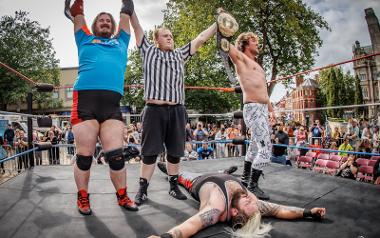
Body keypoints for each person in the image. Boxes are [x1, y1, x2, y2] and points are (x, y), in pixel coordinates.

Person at [129, 2, 218, 205]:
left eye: (171, 36)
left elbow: (202, 38)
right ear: (157, 40)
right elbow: (137, 27)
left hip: (177, 110)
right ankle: (142, 190)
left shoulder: (180, 55)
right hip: (154, 110)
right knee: (150, 153)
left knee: (175, 153)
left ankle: (173, 187)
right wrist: (131, 9)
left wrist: (217, 24)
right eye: (166, 36)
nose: (170, 38)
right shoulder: (149, 52)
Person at [65, 0, 137, 215]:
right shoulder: (84, 38)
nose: (105, 22)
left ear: (112, 26)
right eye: (101, 20)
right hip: (85, 101)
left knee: (116, 156)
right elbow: (77, 12)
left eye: (108, 20)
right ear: (95, 25)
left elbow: (126, 11)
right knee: (85, 157)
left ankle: (122, 196)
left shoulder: (121, 41)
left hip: (112, 104)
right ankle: (83, 197)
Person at [149, 162, 326, 238]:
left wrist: (166, 236)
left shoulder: (216, 209)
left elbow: (191, 225)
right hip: (222, 177)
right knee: (226, 177)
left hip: (197, 181)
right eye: (250, 200)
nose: (250, 198)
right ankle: (225, 172)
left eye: (247, 202)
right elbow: (280, 209)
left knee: (179, 174)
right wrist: (308, 212)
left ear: (234, 212)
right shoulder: (254, 204)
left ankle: (172, 173)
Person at [223, 28, 275, 200]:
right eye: (253, 40)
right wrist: (222, 23)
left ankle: (245, 179)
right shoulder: (241, 59)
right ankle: (253, 184)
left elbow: (264, 90)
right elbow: (225, 45)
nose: (257, 42)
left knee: (254, 147)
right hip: (252, 108)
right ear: (245, 44)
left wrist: (271, 110)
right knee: (266, 149)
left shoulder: (259, 67)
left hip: (262, 109)